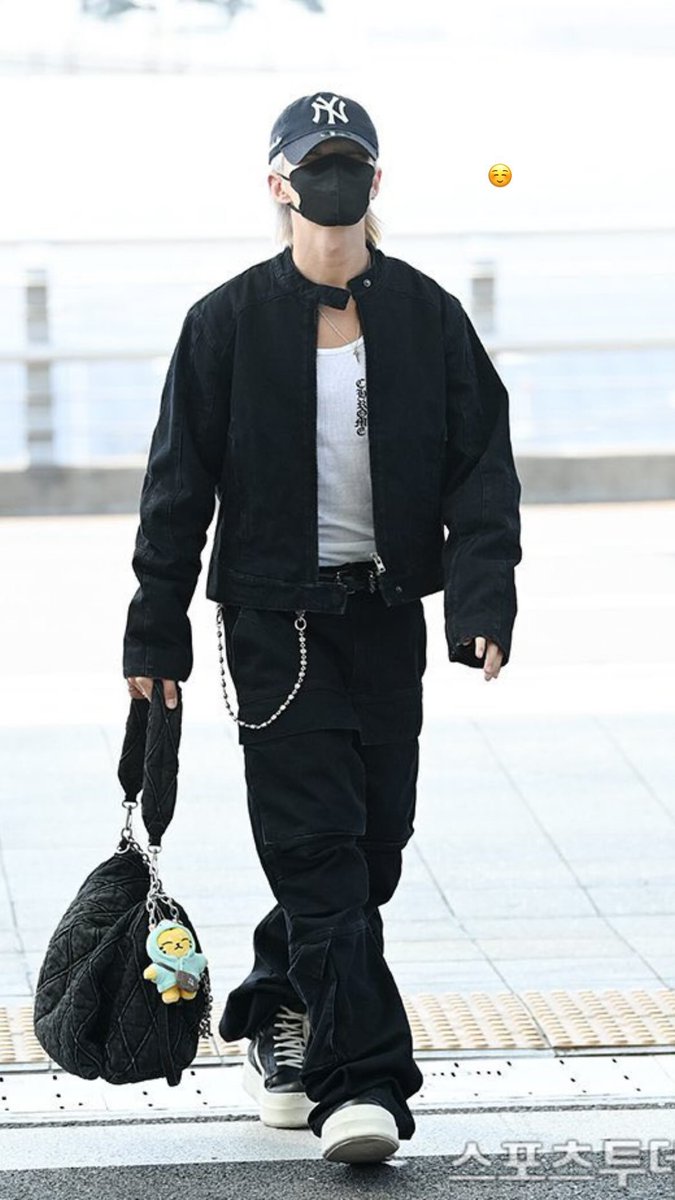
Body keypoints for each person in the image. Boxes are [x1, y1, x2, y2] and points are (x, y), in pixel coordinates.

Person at [124, 90, 523, 1163]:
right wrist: (153, 633)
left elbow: (481, 468)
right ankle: (361, 1085)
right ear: (279, 184)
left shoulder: (427, 316)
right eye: (314, 164)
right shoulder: (226, 322)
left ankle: (280, 999)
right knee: (317, 852)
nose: (333, 181)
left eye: (350, 163)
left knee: (371, 852)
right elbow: (175, 489)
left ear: (375, 182)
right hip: (276, 628)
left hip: (386, 621)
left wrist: (481, 599)